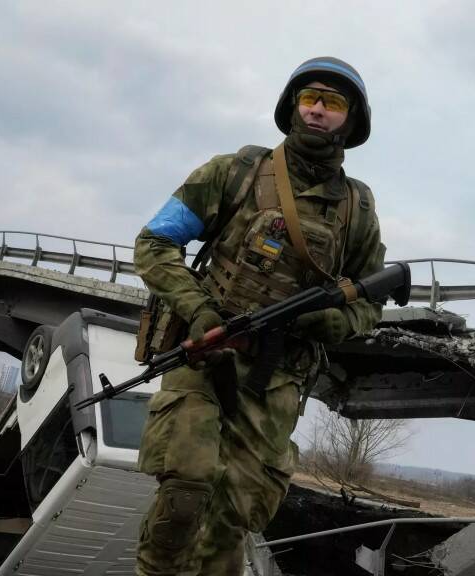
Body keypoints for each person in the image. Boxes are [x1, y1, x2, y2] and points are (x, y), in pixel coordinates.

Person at [132, 57, 386, 575]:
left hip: (277, 379)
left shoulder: (357, 208)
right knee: (186, 487)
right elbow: (155, 243)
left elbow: (371, 298)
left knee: (235, 514)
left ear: (351, 119)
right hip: (207, 353)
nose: (317, 110)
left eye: (333, 102)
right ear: (292, 106)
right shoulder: (235, 172)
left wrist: (341, 322)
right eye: (309, 98)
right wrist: (197, 309)